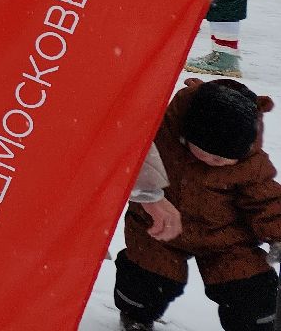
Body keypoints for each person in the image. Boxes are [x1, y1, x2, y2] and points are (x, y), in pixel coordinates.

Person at [116, 78, 281, 331]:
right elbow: (127, 161)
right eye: (214, 155)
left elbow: (267, 200)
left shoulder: (248, 162)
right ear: (188, 136)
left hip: (225, 237)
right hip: (158, 226)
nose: (221, 161)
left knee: (250, 287)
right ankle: (135, 316)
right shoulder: (162, 137)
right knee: (145, 277)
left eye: (229, 157)